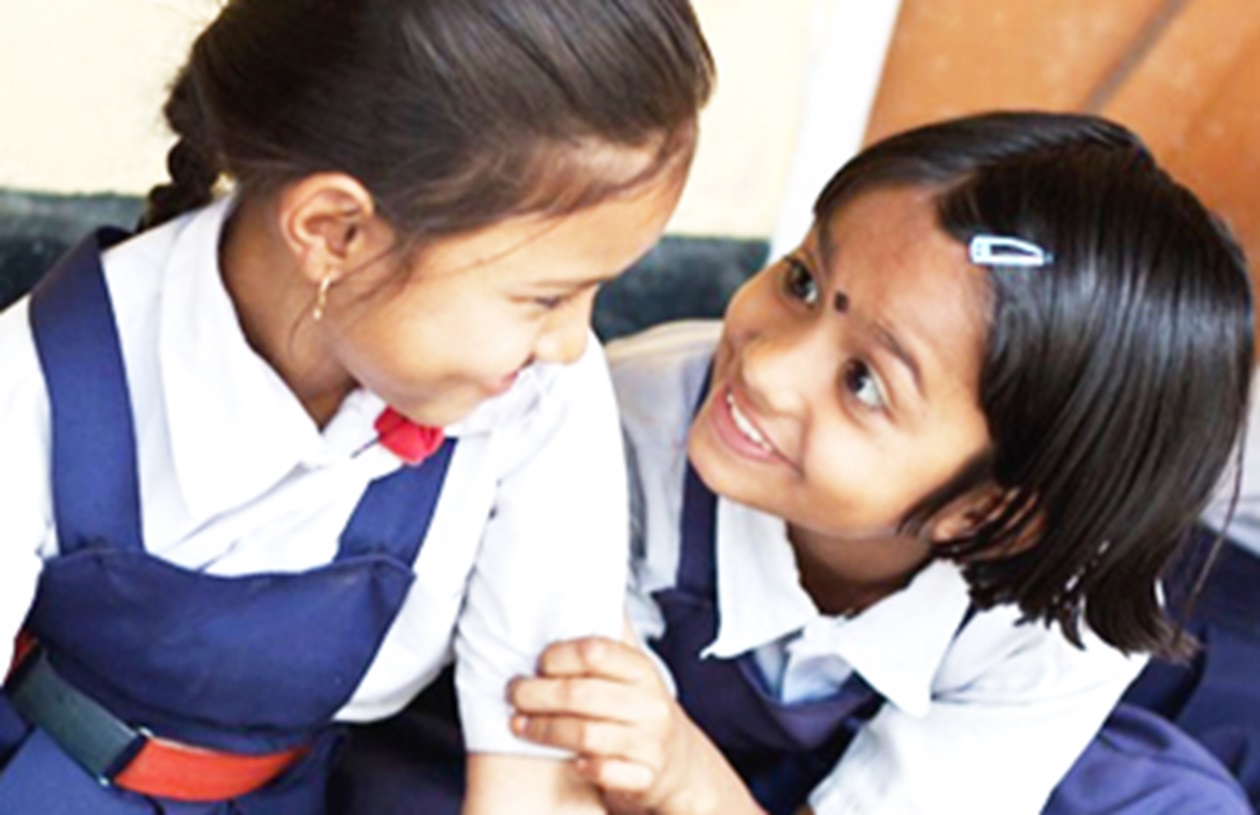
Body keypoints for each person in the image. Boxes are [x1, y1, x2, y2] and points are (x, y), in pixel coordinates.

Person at [0, 1, 713, 813]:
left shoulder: (540, 390)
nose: (571, 340)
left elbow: (537, 780)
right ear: (335, 231)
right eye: (545, 295)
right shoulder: (35, 387)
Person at [507, 111, 1256, 813]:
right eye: (803, 281)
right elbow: (598, 762)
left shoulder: (1068, 618)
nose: (766, 366)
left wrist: (691, 777)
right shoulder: (616, 427)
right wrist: (663, 766)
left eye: (862, 381)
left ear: (994, 511)